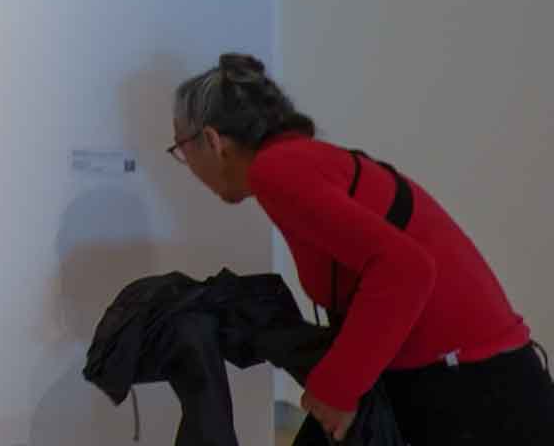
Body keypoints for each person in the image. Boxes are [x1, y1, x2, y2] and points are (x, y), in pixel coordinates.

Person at [169, 53, 554, 443]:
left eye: (181, 148)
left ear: (212, 140)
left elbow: (404, 268)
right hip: (465, 378)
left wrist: (338, 387)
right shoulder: (302, 160)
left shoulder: (277, 170)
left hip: (472, 392)